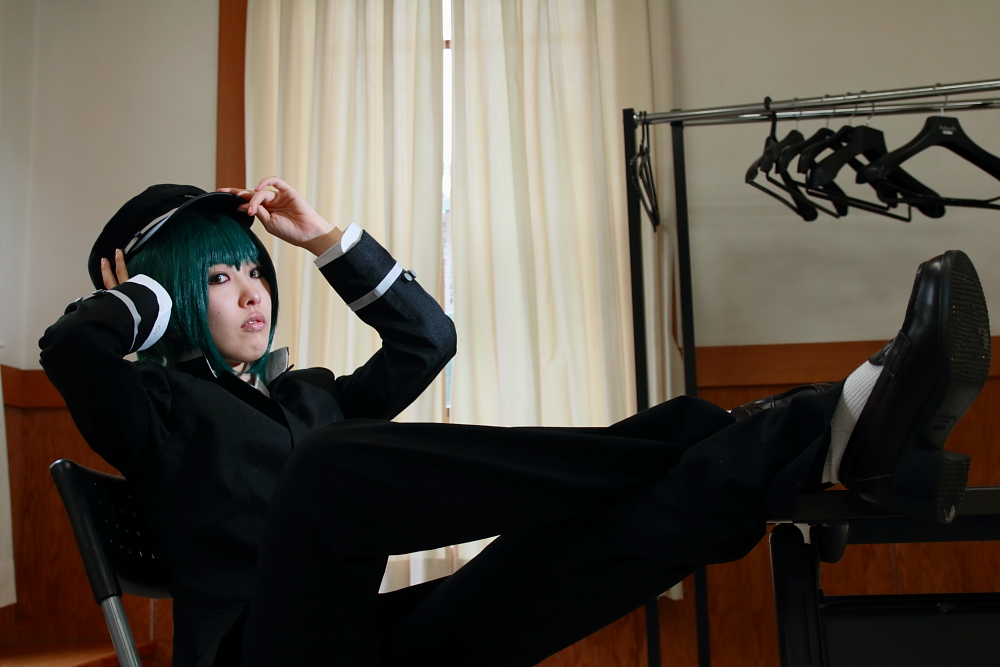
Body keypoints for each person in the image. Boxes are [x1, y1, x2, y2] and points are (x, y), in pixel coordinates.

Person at [39, 176, 991, 667]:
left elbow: (427, 339)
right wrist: (143, 297)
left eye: (254, 269)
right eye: (218, 275)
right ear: (165, 296)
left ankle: (824, 436)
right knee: (327, 470)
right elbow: (73, 351)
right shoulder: (154, 409)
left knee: (576, 536)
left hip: (363, 648)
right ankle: (798, 427)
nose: (252, 289)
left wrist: (323, 237)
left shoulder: (309, 397)